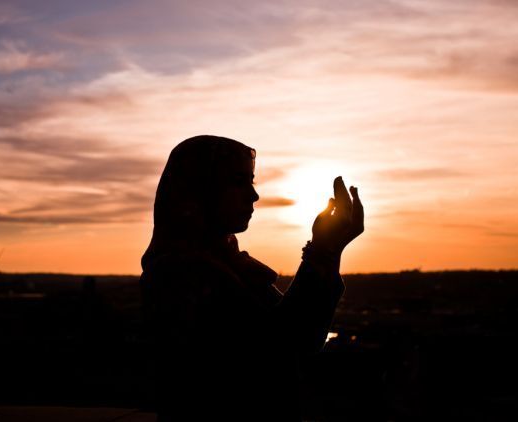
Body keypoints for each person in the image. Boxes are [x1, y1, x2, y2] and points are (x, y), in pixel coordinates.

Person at [139, 135, 364, 421]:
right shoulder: (180, 275)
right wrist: (322, 251)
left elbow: (303, 339)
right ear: (199, 190)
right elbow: (277, 348)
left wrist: (328, 251)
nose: (253, 195)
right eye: (237, 181)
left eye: (251, 181)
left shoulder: (229, 265)